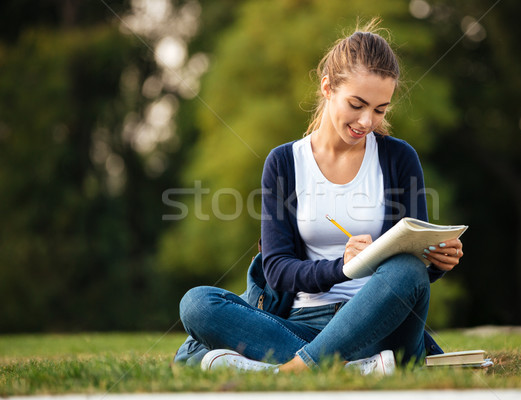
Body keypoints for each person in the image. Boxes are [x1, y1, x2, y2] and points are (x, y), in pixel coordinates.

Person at [174, 19, 463, 374]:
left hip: (380, 326)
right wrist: (342, 267)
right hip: (302, 323)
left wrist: (437, 260)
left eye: (380, 109)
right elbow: (277, 270)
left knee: (406, 270)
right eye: (357, 104)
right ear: (327, 87)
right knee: (198, 303)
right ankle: (352, 366)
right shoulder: (284, 163)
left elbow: (411, 274)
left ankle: (294, 368)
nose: (367, 120)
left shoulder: (398, 159)